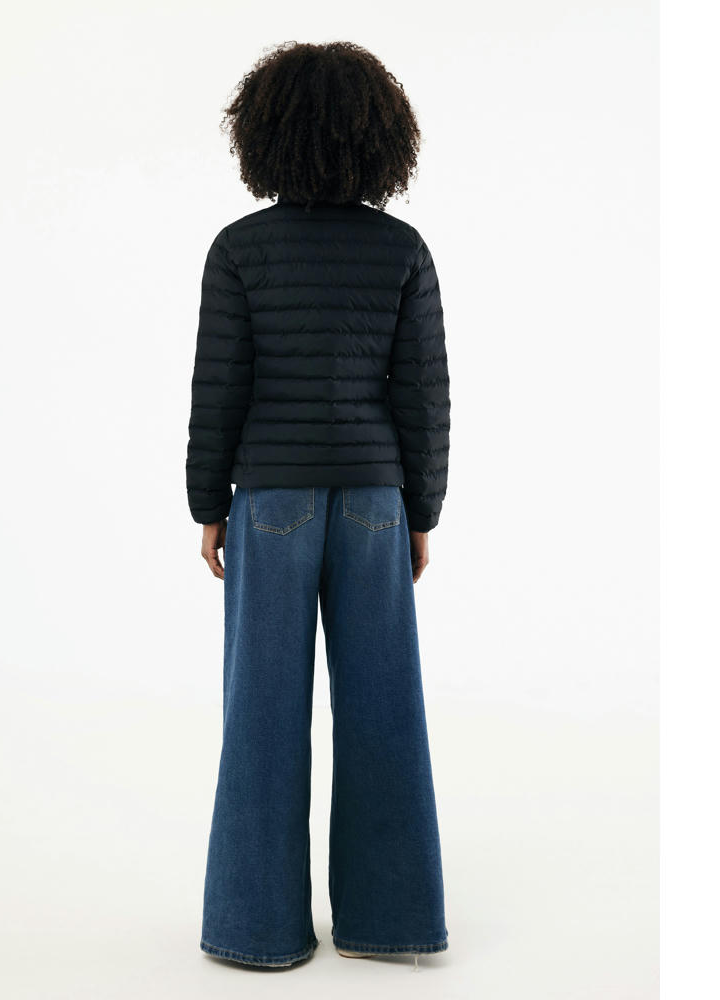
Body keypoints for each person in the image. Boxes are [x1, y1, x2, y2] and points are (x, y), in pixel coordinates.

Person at [186, 40, 451, 969]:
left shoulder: (239, 249)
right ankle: (393, 921)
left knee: (261, 712)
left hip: (269, 501)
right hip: (377, 498)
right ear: (381, 139)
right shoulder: (402, 250)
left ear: (265, 133)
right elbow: (423, 395)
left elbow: (219, 388)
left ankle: (255, 930)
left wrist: (207, 504)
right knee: (386, 708)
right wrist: (422, 511)